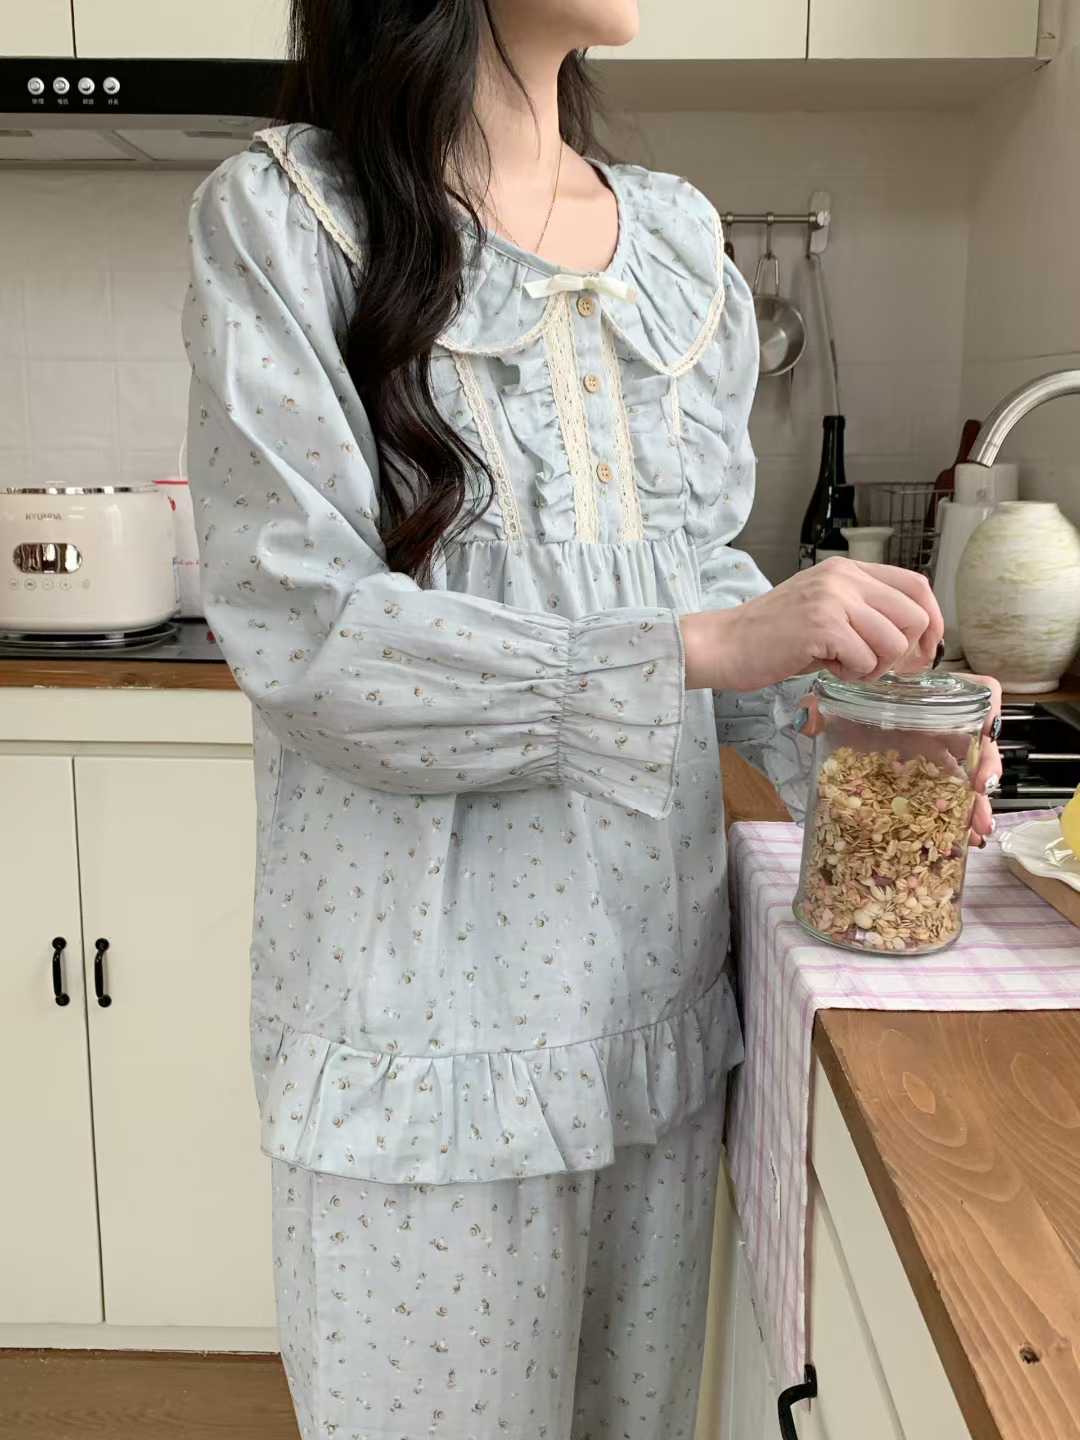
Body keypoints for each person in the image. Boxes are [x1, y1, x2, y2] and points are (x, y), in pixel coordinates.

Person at [181, 3, 1000, 1436]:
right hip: (426, 1039)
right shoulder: (292, 217)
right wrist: (703, 642)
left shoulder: (673, 242)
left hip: (652, 1013)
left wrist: (866, 744)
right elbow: (306, 635)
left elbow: (694, 580)